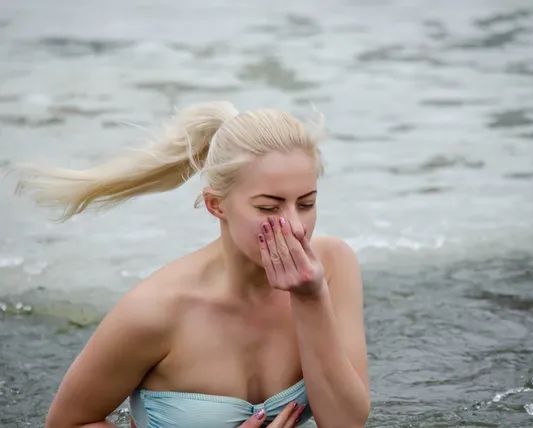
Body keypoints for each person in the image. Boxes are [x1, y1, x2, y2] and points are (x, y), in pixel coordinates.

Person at [13, 101, 370, 428]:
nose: (294, 226)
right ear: (216, 205)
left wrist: (311, 299)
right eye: (268, 207)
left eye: (306, 203)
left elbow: (346, 423)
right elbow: (65, 424)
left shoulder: (334, 267)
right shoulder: (155, 311)